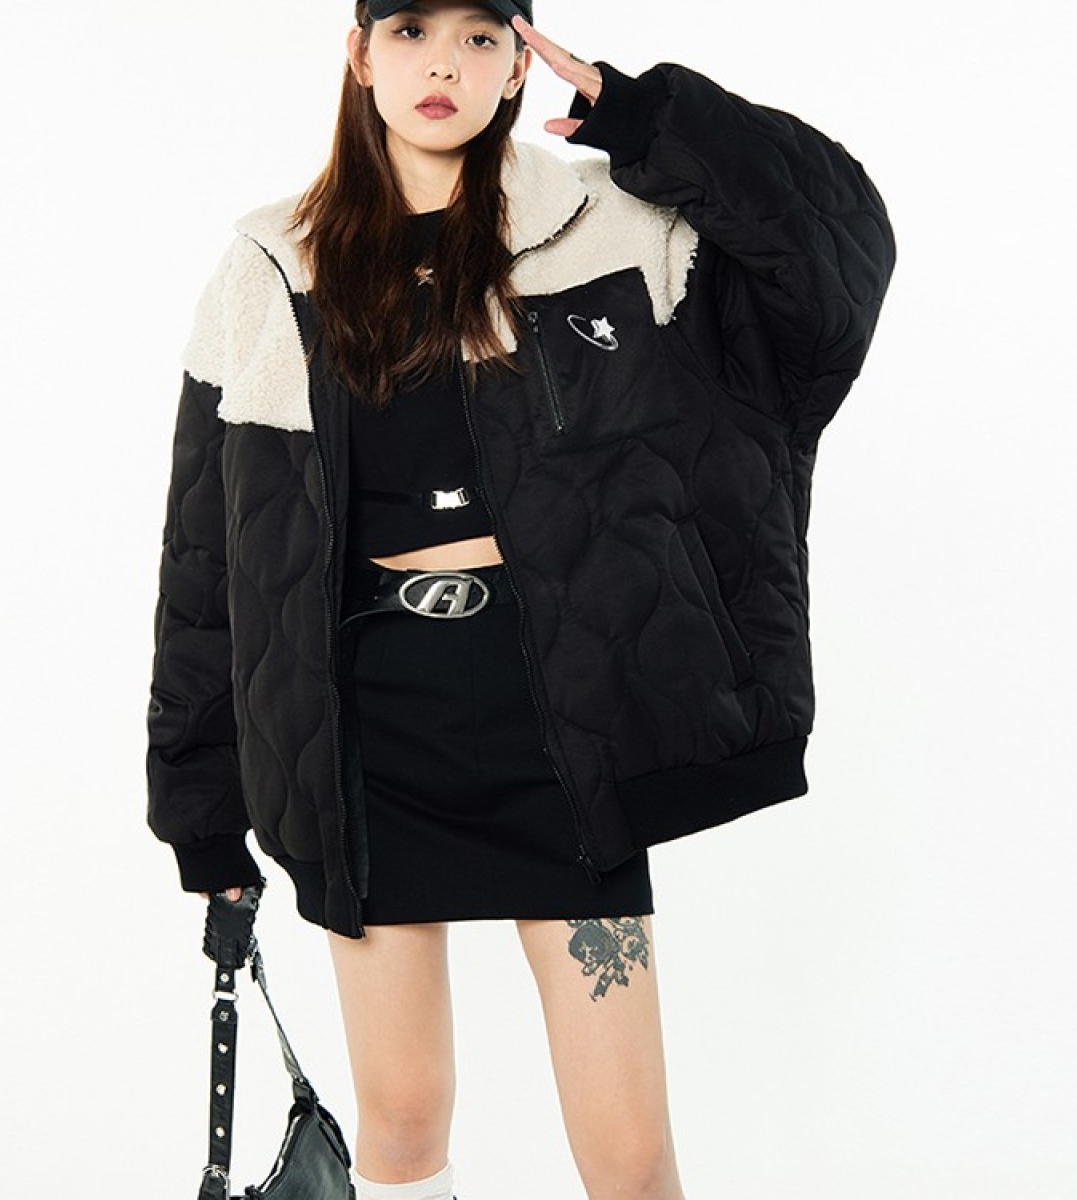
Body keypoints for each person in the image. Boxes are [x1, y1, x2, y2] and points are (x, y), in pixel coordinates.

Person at [146, 1, 895, 1196]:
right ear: (360, 54)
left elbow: (832, 259)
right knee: (400, 1126)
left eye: (481, 37)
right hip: (365, 736)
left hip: (569, 723)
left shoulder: (612, 227)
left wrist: (652, 121)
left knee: (631, 1157)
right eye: (408, 31)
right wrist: (201, 805)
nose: (442, 62)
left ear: (515, 67)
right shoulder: (271, 265)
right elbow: (207, 557)